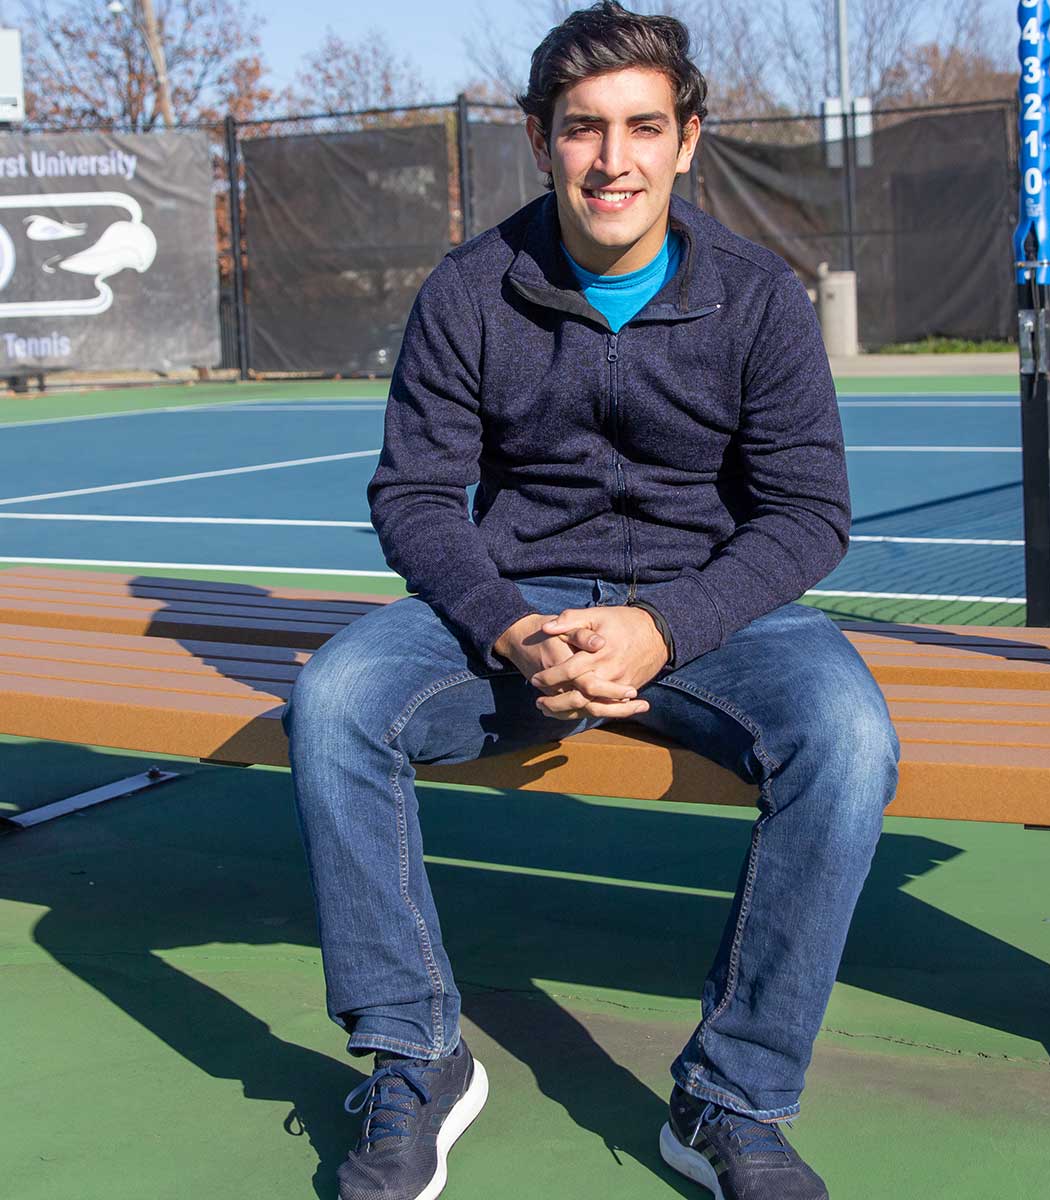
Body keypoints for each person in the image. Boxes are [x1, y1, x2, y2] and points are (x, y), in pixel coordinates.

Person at [282, 3, 899, 1198]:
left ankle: (733, 1097)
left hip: (716, 613)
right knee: (338, 698)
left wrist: (663, 627)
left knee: (851, 737)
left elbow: (810, 513)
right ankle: (416, 1056)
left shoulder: (760, 296)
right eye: (583, 130)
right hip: (523, 605)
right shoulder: (470, 289)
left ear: (687, 140)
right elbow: (413, 495)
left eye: (641, 128)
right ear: (539, 138)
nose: (613, 159)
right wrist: (511, 627)